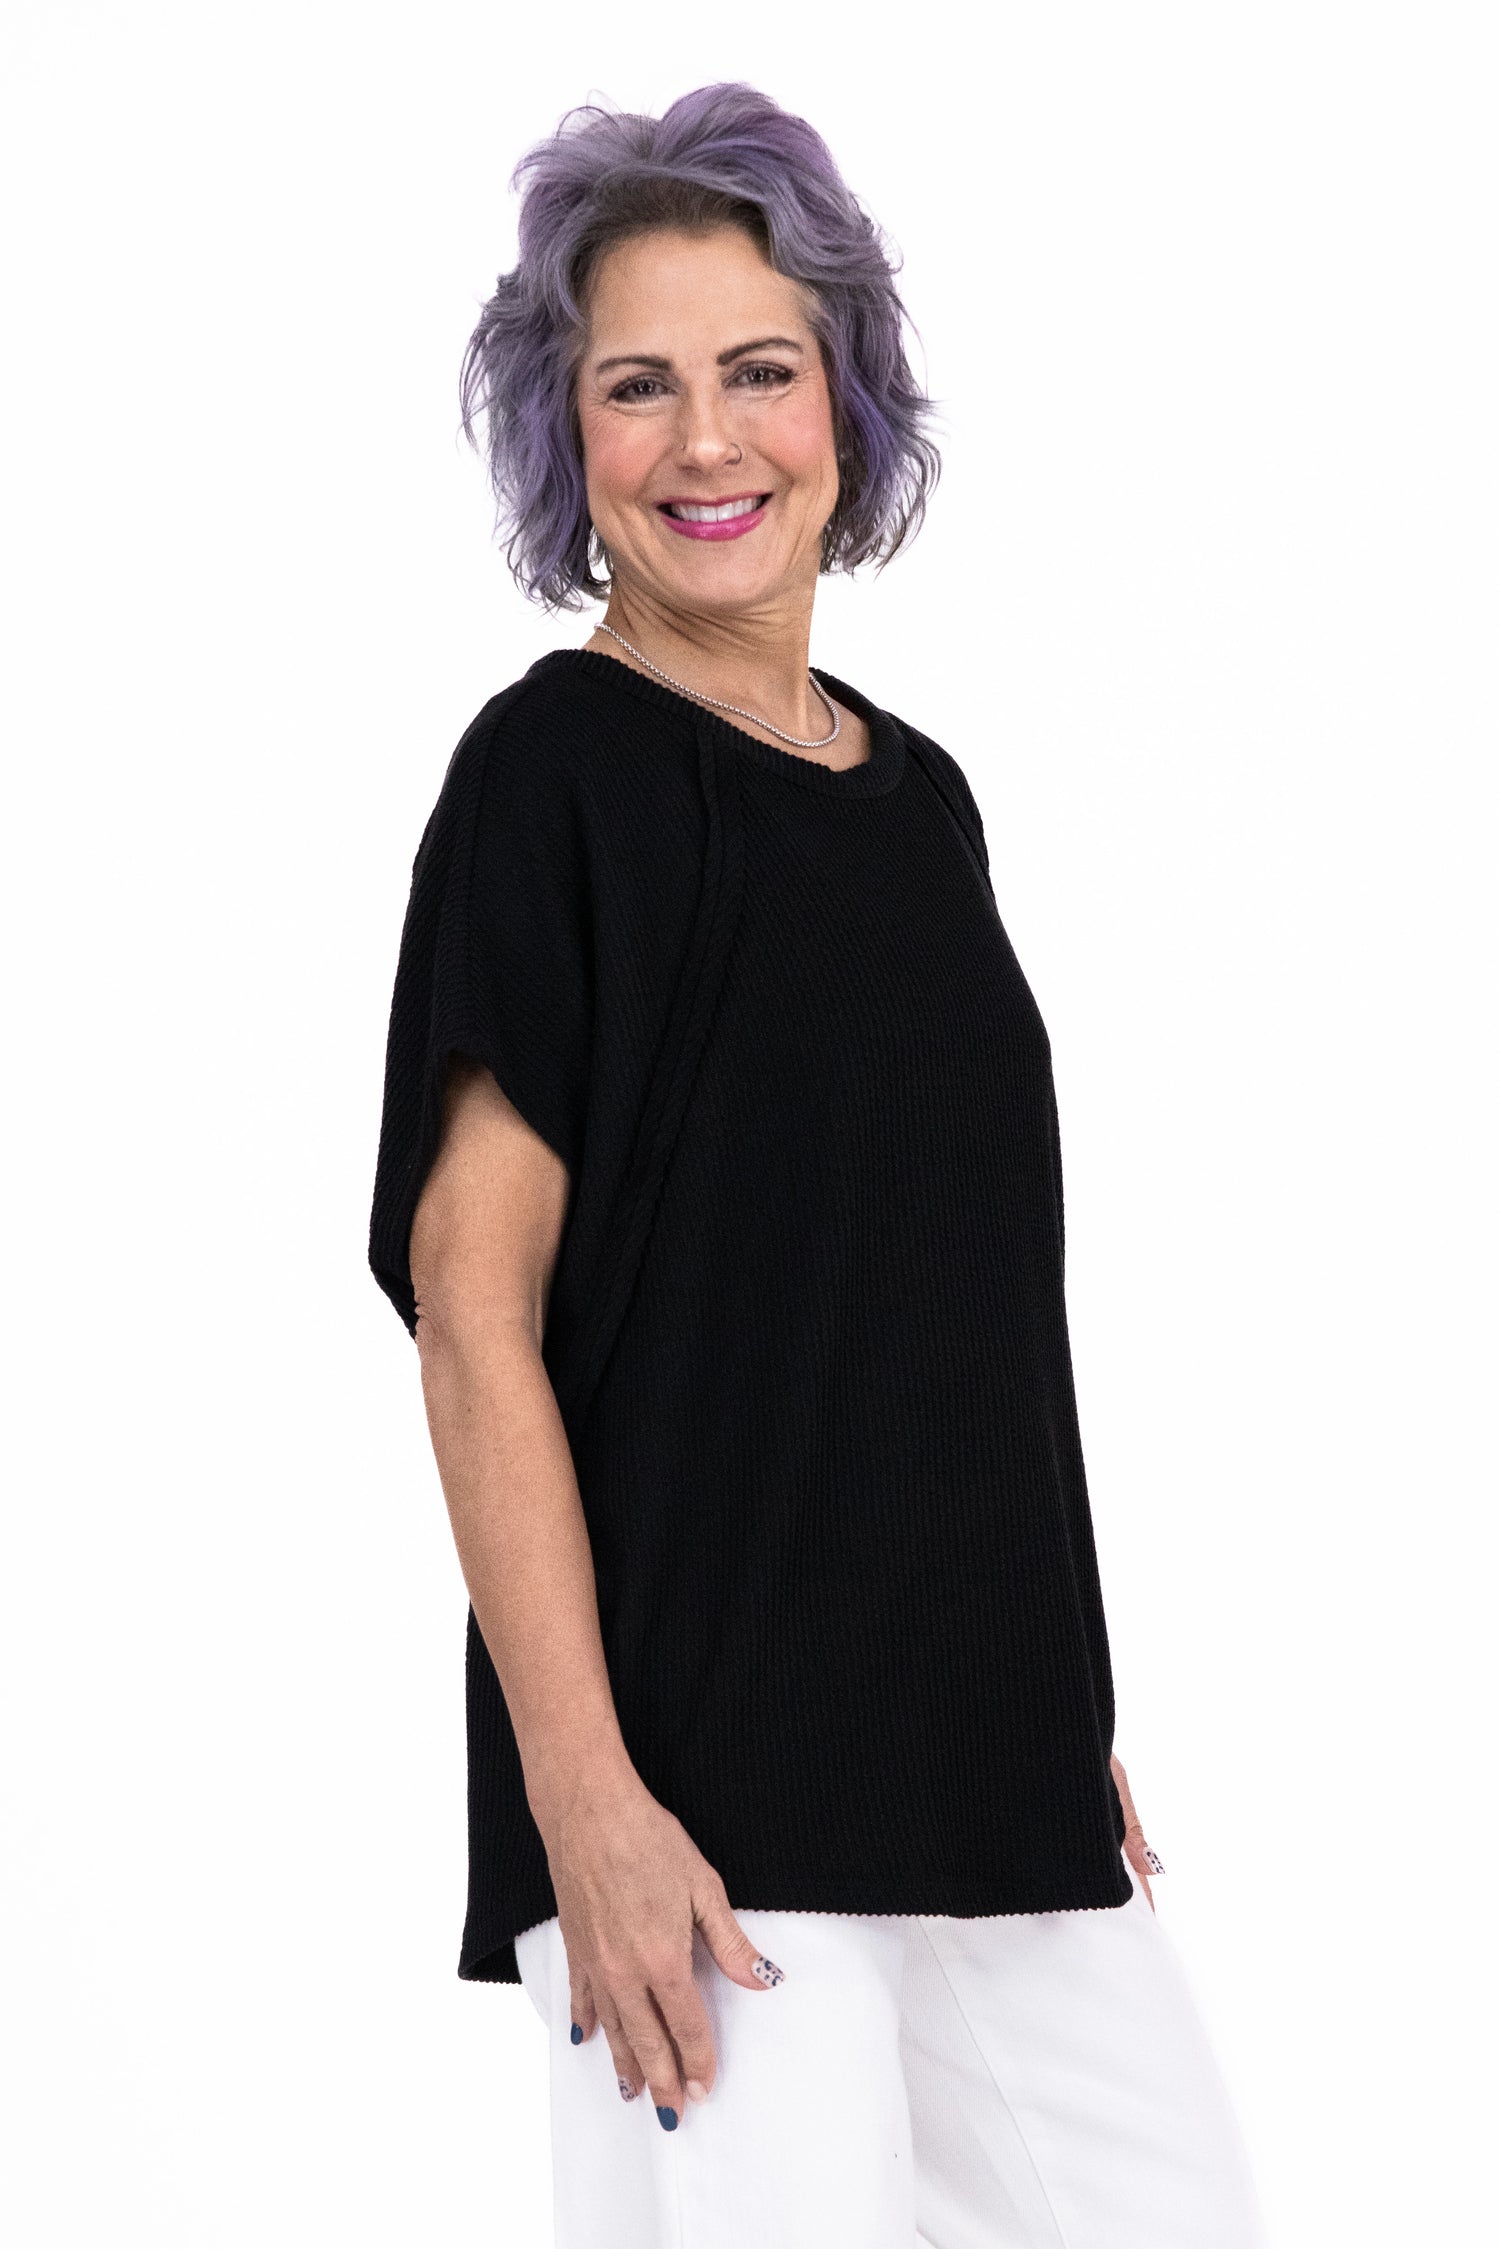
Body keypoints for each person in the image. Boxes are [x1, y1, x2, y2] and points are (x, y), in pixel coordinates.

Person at [368, 81, 1268, 2249]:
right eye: (637, 385)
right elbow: (474, 1318)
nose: (708, 441)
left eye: (761, 371)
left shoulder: (918, 795)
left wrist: (1037, 1691)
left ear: (846, 401)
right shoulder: (551, 780)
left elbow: (926, 1294)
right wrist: (584, 1801)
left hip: (990, 1774)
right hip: (708, 1806)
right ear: (564, 432)